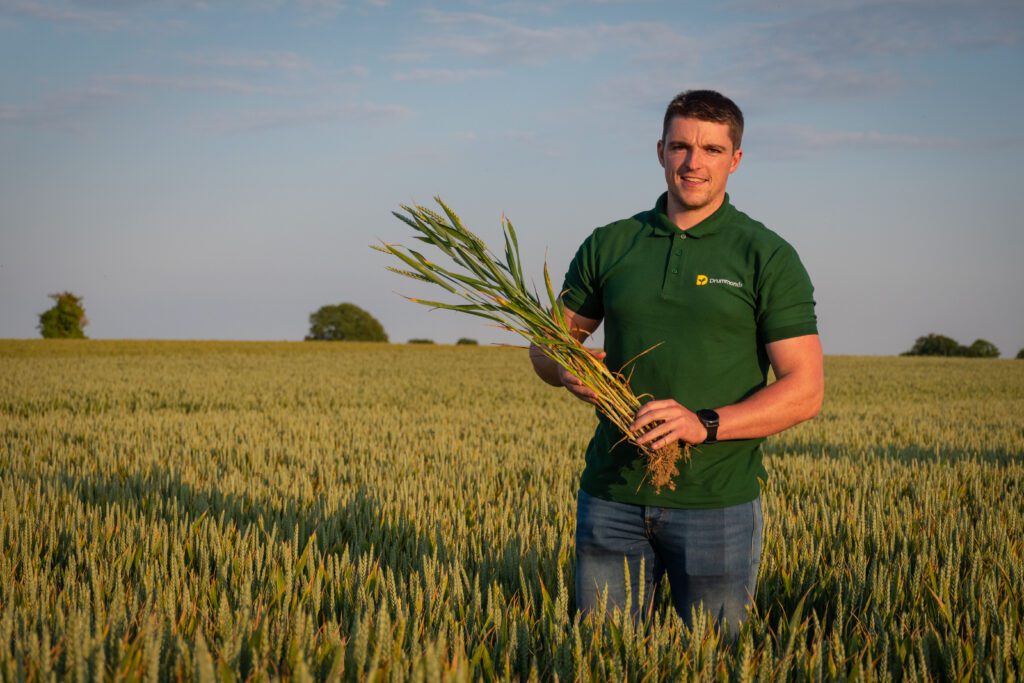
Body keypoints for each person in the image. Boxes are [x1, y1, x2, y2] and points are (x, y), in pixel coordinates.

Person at [528, 89, 823, 633]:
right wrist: (566, 367)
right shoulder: (611, 244)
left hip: (718, 506)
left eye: (712, 149)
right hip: (610, 497)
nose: (694, 163)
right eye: (682, 146)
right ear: (660, 150)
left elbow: (804, 390)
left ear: (735, 160)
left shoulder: (766, 255)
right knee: (603, 659)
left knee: (713, 663)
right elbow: (547, 347)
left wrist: (703, 423)